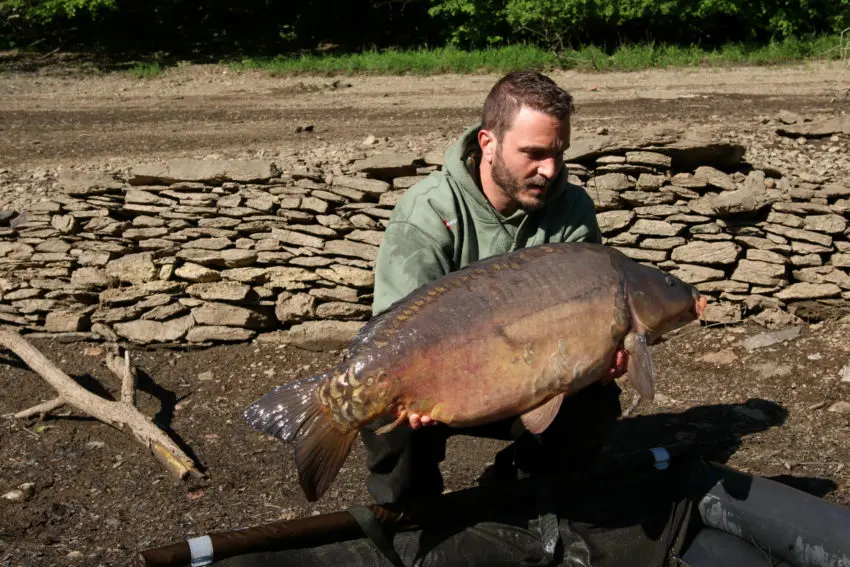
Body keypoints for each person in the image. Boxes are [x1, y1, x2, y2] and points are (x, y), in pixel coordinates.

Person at [360, 70, 626, 508]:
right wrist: (418, 390)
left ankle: (517, 495)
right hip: (445, 381)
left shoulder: (573, 209)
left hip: (534, 377)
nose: (550, 169)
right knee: (386, 405)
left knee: (594, 402)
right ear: (488, 143)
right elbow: (394, 329)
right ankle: (409, 513)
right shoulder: (427, 212)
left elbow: (591, 314)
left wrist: (600, 356)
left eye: (559, 153)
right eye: (534, 153)